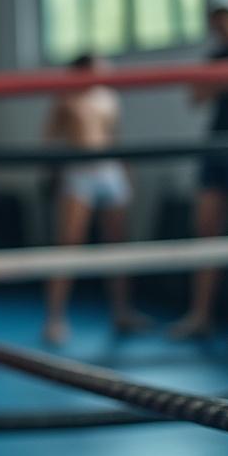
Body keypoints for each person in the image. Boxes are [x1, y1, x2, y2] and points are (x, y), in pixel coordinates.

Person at [40, 54, 148, 345]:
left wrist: (126, 173)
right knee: (68, 247)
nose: (103, 74)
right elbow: (49, 139)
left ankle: (122, 312)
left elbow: (114, 137)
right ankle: (55, 318)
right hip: (79, 172)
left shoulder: (109, 97)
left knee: (117, 246)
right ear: (82, 71)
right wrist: (53, 175)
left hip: (109, 170)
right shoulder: (65, 98)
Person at [173, 6, 228, 341]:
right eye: (215, 25)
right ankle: (200, 314)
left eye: (225, 22)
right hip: (215, 146)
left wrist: (224, 84)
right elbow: (196, 97)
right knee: (206, 233)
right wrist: (222, 83)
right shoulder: (214, 57)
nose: (221, 30)